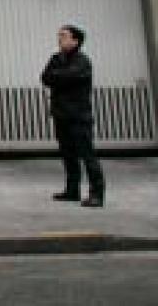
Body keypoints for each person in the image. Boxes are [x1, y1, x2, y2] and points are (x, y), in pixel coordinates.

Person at [42, 24, 104, 207]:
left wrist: (58, 77)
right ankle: (72, 190)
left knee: (87, 155)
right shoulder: (56, 58)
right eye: (59, 35)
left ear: (75, 41)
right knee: (68, 155)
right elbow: (45, 77)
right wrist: (60, 77)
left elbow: (68, 77)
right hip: (61, 115)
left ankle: (97, 194)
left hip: (79, 117)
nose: (59, 38)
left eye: (64, 36)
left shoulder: (82, 61)